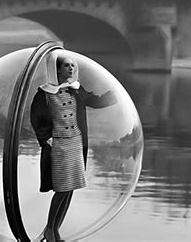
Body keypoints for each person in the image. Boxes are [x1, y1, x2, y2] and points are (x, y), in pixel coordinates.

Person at [30, 49, 117, 242]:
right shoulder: (44, 94)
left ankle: (55, 230)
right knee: (62, 188)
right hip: (59, 146)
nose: (71, 68)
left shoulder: (76, 89)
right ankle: (49, 229)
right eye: (66, 65)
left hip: (75, 143)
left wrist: (115, 94)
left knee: (70, 188)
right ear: (57, 69)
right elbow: (36, 118)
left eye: (72, 65)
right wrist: (46, 139)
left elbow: (95, 100)